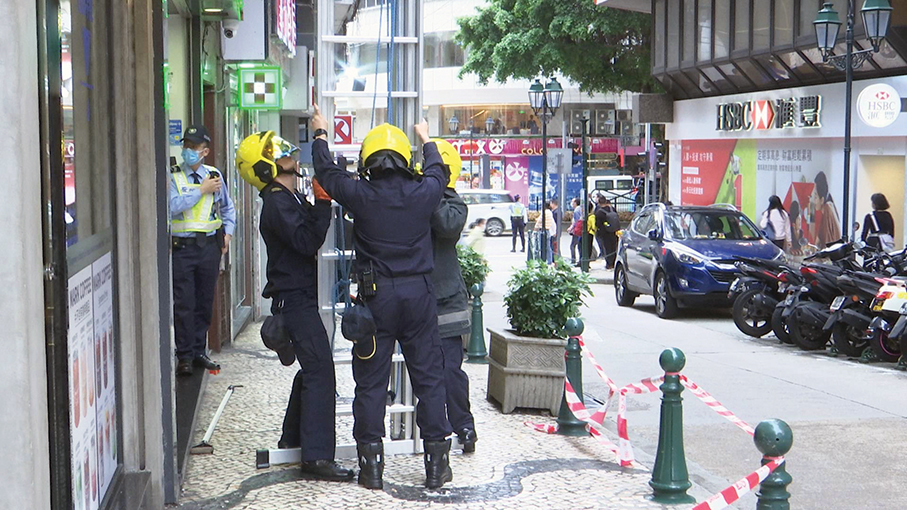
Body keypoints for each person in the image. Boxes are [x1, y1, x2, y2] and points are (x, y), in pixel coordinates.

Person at [310, 107, 454, 490]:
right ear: (406, 160)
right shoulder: (425, 191)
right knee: (428, 379)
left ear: (369, 160)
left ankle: (371, 469)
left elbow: (327, 173)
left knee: (371, 383)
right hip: (420, 297)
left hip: (377, 300)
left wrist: (321, 133)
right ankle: (437, 466)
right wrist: (426, 139)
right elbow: (441, 172)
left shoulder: (361, 193)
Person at [235, 131, 353, 481]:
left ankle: (292, 439)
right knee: (320, 371)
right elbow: (306, 242)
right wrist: (320, 204)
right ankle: (317, 458)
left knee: (313, 369)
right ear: (266, 166)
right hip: (296, 299)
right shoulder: (276, 201)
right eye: (279, 151)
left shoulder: (285, 196)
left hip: (301, 297)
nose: (289, 153)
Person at [169, 125, 235, 376]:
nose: (188, 151)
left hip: (209, 246)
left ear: (204, 151)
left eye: (194, 147)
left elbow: (228, 209)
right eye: (186, 146)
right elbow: (172, 206)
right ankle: (184, 355)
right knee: (184, 302)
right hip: (183, 248)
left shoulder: (215, 175)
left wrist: (227, 233)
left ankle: (198, 350)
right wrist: (200, 191)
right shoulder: (174, 175)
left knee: (205, 301)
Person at [428, 139, 477, 454]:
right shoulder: (414, 196)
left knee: (450, 372)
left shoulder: (453, 204)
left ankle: (463, 425)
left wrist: (430, 190)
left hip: (446, 302)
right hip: (412, 300)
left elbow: (446, 225)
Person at [595, 197, 620, 269]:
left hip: (605, 233)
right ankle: (614, 262)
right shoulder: (612, 209)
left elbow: (598, 224)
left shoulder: (599, 212)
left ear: (599, 203)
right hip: (614, 231)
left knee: (607, 248)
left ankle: (609, 264)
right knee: (614, 247)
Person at [569, 198, 583, 265]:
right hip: (580, 230)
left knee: (573, 245)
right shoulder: (580, 209)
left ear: (575, 203)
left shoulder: (577, 210)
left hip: (577, 230)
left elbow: (577, 221)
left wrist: (572, 227)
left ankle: (573, 260)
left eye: (572, 202)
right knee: (579, 245)